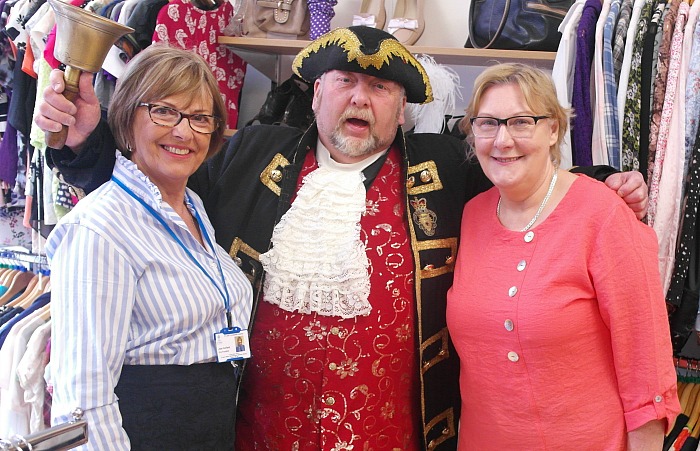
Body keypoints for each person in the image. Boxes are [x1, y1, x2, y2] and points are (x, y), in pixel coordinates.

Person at [35, 27, 649, 450]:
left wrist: (604, 184)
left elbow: (516, 167)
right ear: (316, 90)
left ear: (402, 108)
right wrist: (89, 145)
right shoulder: (254, 151)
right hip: (258, 432)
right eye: (346, 80)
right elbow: (158, 186)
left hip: (395, 435)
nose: (361, 96)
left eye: (381, 88)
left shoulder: (443, 169)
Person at [447, 63, 680, 450]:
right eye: (487, 123)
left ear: (553, 128)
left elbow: (647, 369)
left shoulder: (603, 215)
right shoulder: (471, 215)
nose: (502, 140)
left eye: (521, 122)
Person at [44, 45, 253, 450]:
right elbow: (82, 396)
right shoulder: (101, 228)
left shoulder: (194, 208)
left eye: (199, 117)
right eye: (164, 111)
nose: (183, 131)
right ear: (126, 119)